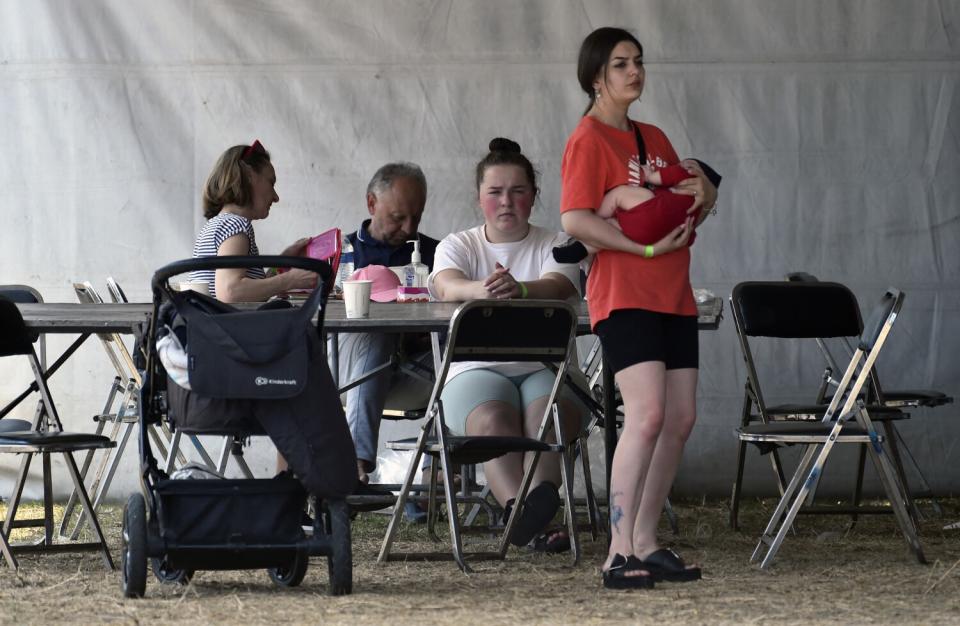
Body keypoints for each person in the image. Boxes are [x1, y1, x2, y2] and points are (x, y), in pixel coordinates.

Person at [559, 28, 718, 589]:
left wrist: (706, 195)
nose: (635, 72)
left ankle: (647, 542)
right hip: (625, 292)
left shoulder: (652, 136)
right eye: (621, 64)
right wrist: (644, 246)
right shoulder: (588, 140)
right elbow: (577, 221)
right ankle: (617, 551)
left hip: (673, 291)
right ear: (596, 78)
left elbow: (683, 197)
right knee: (646, 415)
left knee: (680, 419)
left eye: (638, 62)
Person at [429, 137, 587, 553]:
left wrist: (518, 289)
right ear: (479, 197)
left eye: (518, 191)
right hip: (474, 371)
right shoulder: (458, 244)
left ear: (533, 196)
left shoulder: (560, 242)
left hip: (547, 369)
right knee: (494, 422)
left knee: (545, 419)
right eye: (495, 192)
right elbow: (445, 285)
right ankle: (528, 515)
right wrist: (480, 288)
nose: (506, 202)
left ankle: (526, 517)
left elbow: (559, 285)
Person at [335, 162, 440, 489]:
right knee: (374, 334)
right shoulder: (340, 255)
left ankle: (432, 475)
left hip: (418, 374)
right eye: (398, 218)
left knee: (462, 363)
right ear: (371, 204)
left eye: (416, 218)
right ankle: (354, 464)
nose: (409, 228)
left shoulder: (437, 255)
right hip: (349, 375)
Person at [190, 140, 316, 301]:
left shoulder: (215, 225)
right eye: (271, 182)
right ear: (249, 175)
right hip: (228, 326)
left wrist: (281, 262)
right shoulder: (235, 225)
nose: (276, 197)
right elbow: (231, 292)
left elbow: (247, 289)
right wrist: (289, 280)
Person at [552, 162, 706, 263]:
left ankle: (592, 220)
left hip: (654, 210)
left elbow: (667, 176)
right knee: (616, 228)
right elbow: (690, 230)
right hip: (665, 236)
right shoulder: (698, 203)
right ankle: (585, 247)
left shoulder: (687, 174)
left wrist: (650, 176)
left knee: (619, 196)